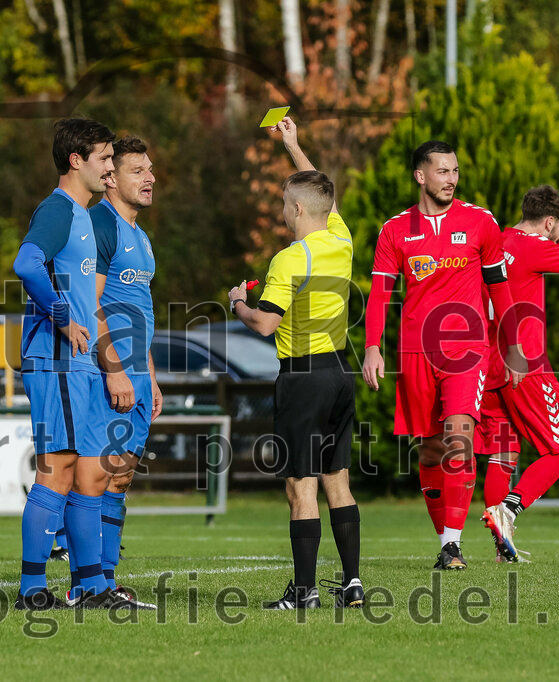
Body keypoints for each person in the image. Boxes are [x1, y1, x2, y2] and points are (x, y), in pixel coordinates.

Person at [362, 140, 527, 570]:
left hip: (467, 350)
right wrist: (373, 346)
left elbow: (500, 289)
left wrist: (513, 346)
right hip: (416, 352)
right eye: (442, 171)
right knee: (431, 451)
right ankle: (445, 541)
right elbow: (379, 294)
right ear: (421, 176)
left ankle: (452, 545)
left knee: (459, 438)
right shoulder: (395, 230)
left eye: (455, 171)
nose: (451, 179)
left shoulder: (481, 222)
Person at [227, 118, 363, 609]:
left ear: (298, 209)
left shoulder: (290, 259)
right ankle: (352, 583)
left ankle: (304, 591)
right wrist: (293, 146)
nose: (284, 212)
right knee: (337, 482)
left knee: (299, 486)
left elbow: (265, 325)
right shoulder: (341, 241)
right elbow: (325, 194)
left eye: (286, 204)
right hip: (339, 372)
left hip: (302, 377)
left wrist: (238, 303)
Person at [11, 118, 139, 611]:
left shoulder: (84, 216)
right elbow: (26, 263)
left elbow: (90, 303)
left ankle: (92, 587)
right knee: (57, 470)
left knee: (89, 472)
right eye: (105, 158)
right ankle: (31, 590)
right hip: (55, 361)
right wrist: (61, 315)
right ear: (76, 160)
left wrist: (106, 361)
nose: (111, 167)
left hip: (80, 364)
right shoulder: (59, 208)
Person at [475, 186, 559, 560]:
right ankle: (508, 510)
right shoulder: (534, 247)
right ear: (549, 221)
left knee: (503, 453)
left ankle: (502, 546)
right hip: (526, 365)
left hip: (491, 364)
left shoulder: (498, 239)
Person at [77, 135, 161, 607]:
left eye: (150, 170)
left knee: (121, 478)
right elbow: (91, 304)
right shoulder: (101, 225)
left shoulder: (141, 236)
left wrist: (150, 375)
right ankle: (86, 583)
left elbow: (139, 308)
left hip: (138, 376)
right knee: (96, 476)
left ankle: (107, 580)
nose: (150, 178)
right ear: (110, 178)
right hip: (110, 374)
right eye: (138, 171)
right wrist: (115, 370)